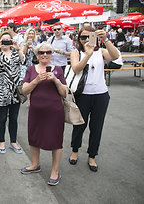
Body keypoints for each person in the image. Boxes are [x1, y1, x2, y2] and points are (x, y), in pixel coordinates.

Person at [69, 25, 118, 172]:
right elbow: (76, 68)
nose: (85, 40)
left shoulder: (101, 51)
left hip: (100, 94)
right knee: (79, 125)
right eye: (82, 37)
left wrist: (106, 40)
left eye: (88, 37)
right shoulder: (76, 52)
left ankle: (92, 155)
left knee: (97, 127)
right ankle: (75, 150)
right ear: (78, 39)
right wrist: (88, 55)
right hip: (82, 94)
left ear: (95, 37)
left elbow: (115, 57)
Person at [21, 42, 67, 186]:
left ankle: (55, 171)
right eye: (41, 52)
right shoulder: (30, 69)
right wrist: (36, 80)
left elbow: (64, 93)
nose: (45, 55)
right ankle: (35, 164)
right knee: (34, 137)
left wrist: (55, 80)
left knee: (55, 140)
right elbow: (24, 90)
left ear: (52, 54)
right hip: (36, 111)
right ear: (36, 55)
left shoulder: (58, 69)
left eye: (48, 52)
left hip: (54, 112)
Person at [0, 31, 26, 154]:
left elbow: (24, 61)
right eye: (3, 40)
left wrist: (18, 48)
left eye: (8, 40)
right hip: (2, 90)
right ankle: (2, 142)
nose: (5, 42)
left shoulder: (15, 52)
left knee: (14, 118)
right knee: (2, 118)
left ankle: (13, 141)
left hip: (15, 90)